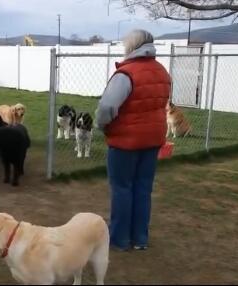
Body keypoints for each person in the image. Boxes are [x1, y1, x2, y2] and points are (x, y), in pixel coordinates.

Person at [96, 29, 171, 251]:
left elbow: (107, 107)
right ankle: (140, 238)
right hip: (153, 140)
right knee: (143, 188)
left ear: (132, 45)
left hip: (124, 143)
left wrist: (103, 126)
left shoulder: (126, 74)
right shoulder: (162, 72)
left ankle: (119, 239)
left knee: (122, 188)